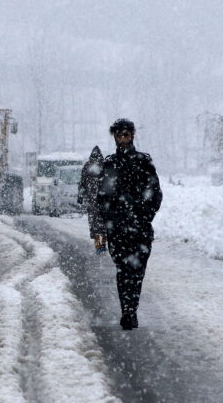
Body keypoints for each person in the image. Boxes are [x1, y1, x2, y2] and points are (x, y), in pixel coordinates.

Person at [97, 119, 162, 330]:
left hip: (140, 229)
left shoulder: (144, 162)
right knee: (123, 270)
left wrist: (142, 216)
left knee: (137, 272)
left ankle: (131, 308)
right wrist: (112, 220)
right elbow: (102, 197)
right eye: (119, 135)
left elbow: (155, 194)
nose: (123, 139)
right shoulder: (110, 165)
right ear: (114, 137)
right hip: (118, 230)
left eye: (126, 135)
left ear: (132, 135)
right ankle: (127, 311)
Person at [77, 146, 106, 254]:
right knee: (103, 224)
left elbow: (82, 183)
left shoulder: (87, 166)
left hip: (91, 201)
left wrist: (81, 196)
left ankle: (98, 245)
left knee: (95, 224)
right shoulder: (104, 165)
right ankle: (103, 244)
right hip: (103, 201)